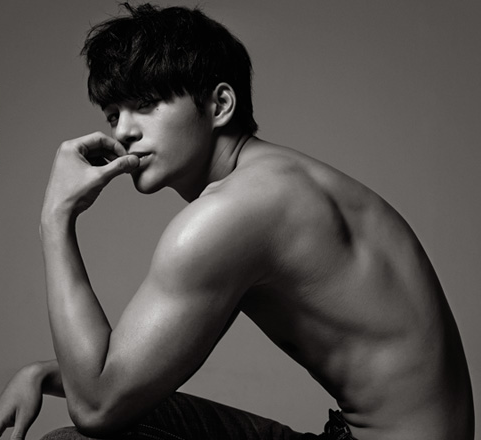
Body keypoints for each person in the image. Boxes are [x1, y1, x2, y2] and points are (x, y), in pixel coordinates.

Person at [0, 3, 474, 440]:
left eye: (145, 103)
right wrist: (42, 374)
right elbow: (129, 377)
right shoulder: (277, 184)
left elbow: (97, 406)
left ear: (220, 105)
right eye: (113, 114)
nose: (123, 130)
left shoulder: (233, 215)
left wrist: (55, 218)